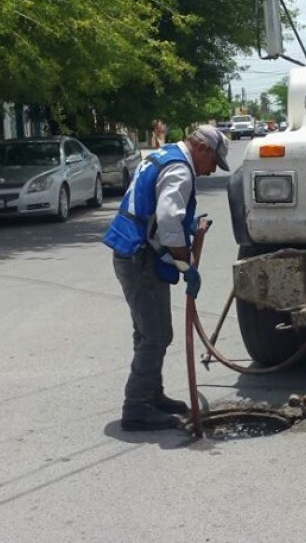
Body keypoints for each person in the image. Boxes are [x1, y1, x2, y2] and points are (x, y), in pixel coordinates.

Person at [103, 125, 229, 431]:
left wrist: (188, 228)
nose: (212, 171)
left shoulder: (164, 155)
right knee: (155, 335)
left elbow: (157, 209)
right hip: (140, 257)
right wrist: (186, 265)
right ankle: (137, 408)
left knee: (149, 332)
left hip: (132, 251)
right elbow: (168, 220)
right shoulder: (180, 170)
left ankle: (152, 395)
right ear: (202, 149)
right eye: (213, 162)